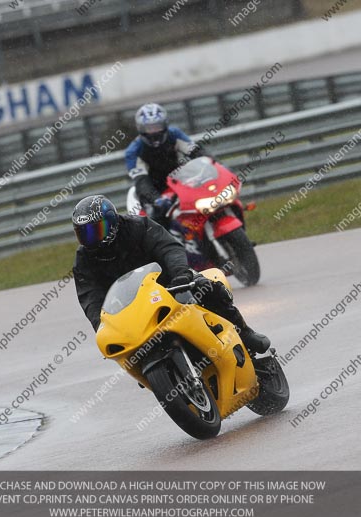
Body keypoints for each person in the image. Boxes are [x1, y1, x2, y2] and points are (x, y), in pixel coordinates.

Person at [71, 194, 270, 354]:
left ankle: (244, 333)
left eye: (96, 230)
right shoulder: (83, 259)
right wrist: (101, 324)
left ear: (112, 222)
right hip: (131, 306)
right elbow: (89, 294)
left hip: (169, 282)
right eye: (84, 233)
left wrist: (181, 274)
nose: (90, 238)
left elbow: (168, 248)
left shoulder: (139, 226)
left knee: (206, 287)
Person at [124, 103, 205, 226]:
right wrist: (157, 200)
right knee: (155, 218)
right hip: (154, 190)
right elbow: (141, 181)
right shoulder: (133, 152)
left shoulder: (174, 134)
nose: (154, 132)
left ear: (165, 125)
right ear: (141, 129)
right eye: (149, 128)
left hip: (179, 180)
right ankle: (170, 243)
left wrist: (218, 166)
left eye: (157, 126)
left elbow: (197, 152)